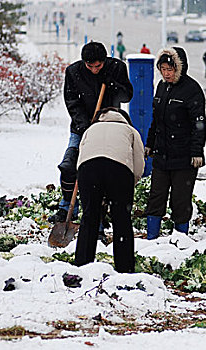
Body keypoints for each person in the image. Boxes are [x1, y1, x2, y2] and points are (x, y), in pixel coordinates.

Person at [49, 41, 133, 224]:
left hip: (109, 127)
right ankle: (67, 206)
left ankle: (100, 212)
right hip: (82, 127)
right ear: (84, 62)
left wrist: (111, 84)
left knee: (101, 169)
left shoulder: (117, 68)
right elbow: (72, 101)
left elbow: (127, 95)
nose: (94, 70)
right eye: (90, 66)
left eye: (98, 66)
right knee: (69, 166)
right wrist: (85, 126)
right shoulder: (74, 72)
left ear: (104, 61)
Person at [144, 47, 206, 238]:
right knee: (156, 197)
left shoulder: (192, 90)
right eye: (162, 69)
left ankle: (181, 238)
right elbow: (155, 120)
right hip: (162, 155)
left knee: (180, 201)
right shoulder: (162, 87)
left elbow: (200, 124)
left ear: (179, 68)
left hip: (184, 158)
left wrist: (197, 152)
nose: (166, 73)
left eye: (170, 69)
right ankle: (151, 237)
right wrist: (150, 143)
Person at [74, 107, 145, 273]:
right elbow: (139, 164)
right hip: (119, 170)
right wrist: (127, 186)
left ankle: (82, 264)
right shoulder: (130, 131)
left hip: (88, 169)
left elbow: (81, 156)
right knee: (121, 219)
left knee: (89, 216)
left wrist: (91, 187)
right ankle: (124, 267)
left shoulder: (90, 129)